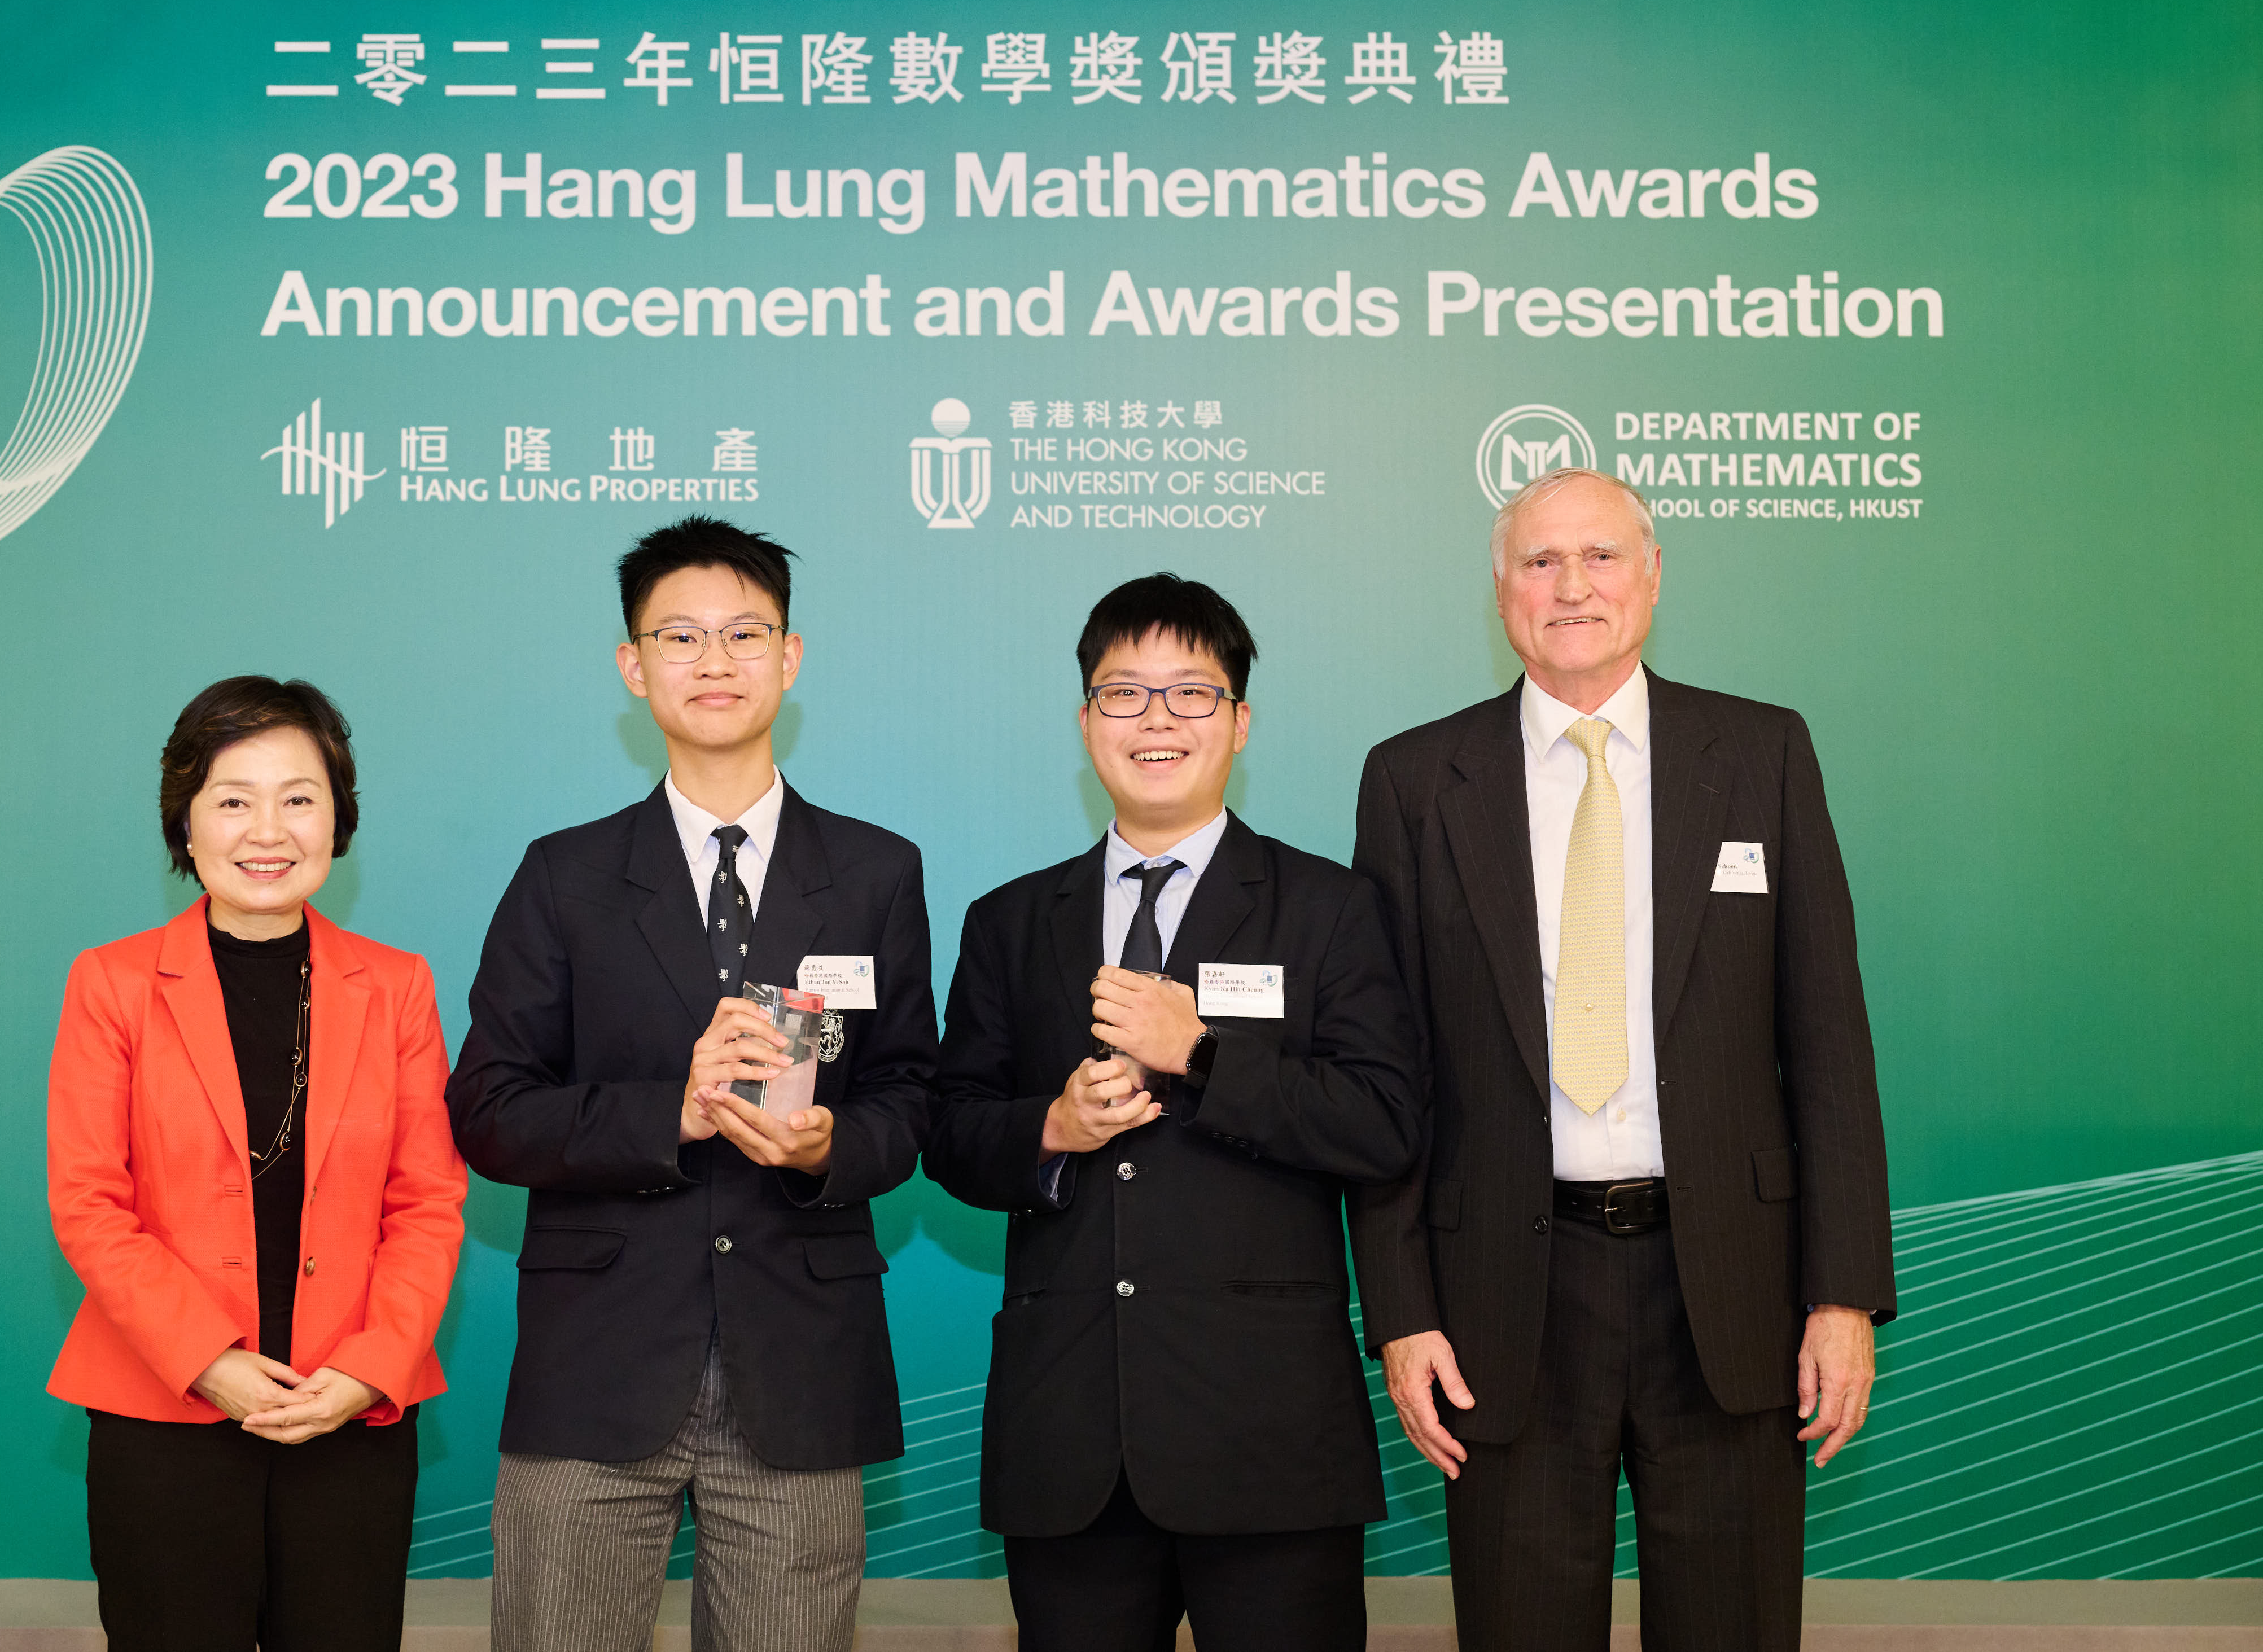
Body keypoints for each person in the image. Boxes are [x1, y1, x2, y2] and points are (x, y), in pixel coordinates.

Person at [1350, 469, 1896, 1652]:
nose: (1571, 587)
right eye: (1540, 563)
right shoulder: (1413, 782)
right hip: (1505, 1301)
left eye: (1600, 557)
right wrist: (1399, 1311)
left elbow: (1830, 1046)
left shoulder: (1761, 752)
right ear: (1500, 594)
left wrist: (1842, 1291)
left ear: (1652, 578)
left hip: (1733, 1295)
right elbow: (1393, 1078)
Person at [447, 516, 938, 1652]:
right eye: (680, 636)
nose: (713, 662)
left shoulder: (874, 871)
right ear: (633, 666)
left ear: (790, 655)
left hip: (801, 1369)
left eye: (742, 634)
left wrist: (828, 1148)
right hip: (596, 1366)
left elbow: (913, 1094)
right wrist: (664, 1108)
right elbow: (487, 1107)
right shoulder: (565, 875)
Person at [926, 574, 1424, 1652]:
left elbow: (1385, 1122)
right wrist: (1050, 1127)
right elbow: (951, 1128)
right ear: (1084, 721)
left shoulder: (1330, 906)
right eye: (1125, 693)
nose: (1157, 721)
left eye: (1192, 694)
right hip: (1069, 1443)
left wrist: (1199, 1053)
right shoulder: (1012, 920)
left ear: (1240, 722)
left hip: (1270, 1437)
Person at [46, 676, 469, 1651]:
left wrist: (368, 1369)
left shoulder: (398, 985)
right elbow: (89, 1202)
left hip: (350, 1416)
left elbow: (428, 1201)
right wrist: (211, 1363)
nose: (267, 829)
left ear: (338, 820)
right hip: (166, 1412)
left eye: (300, 797)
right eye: (233, 799)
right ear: (185, 824)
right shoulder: (111, 982)